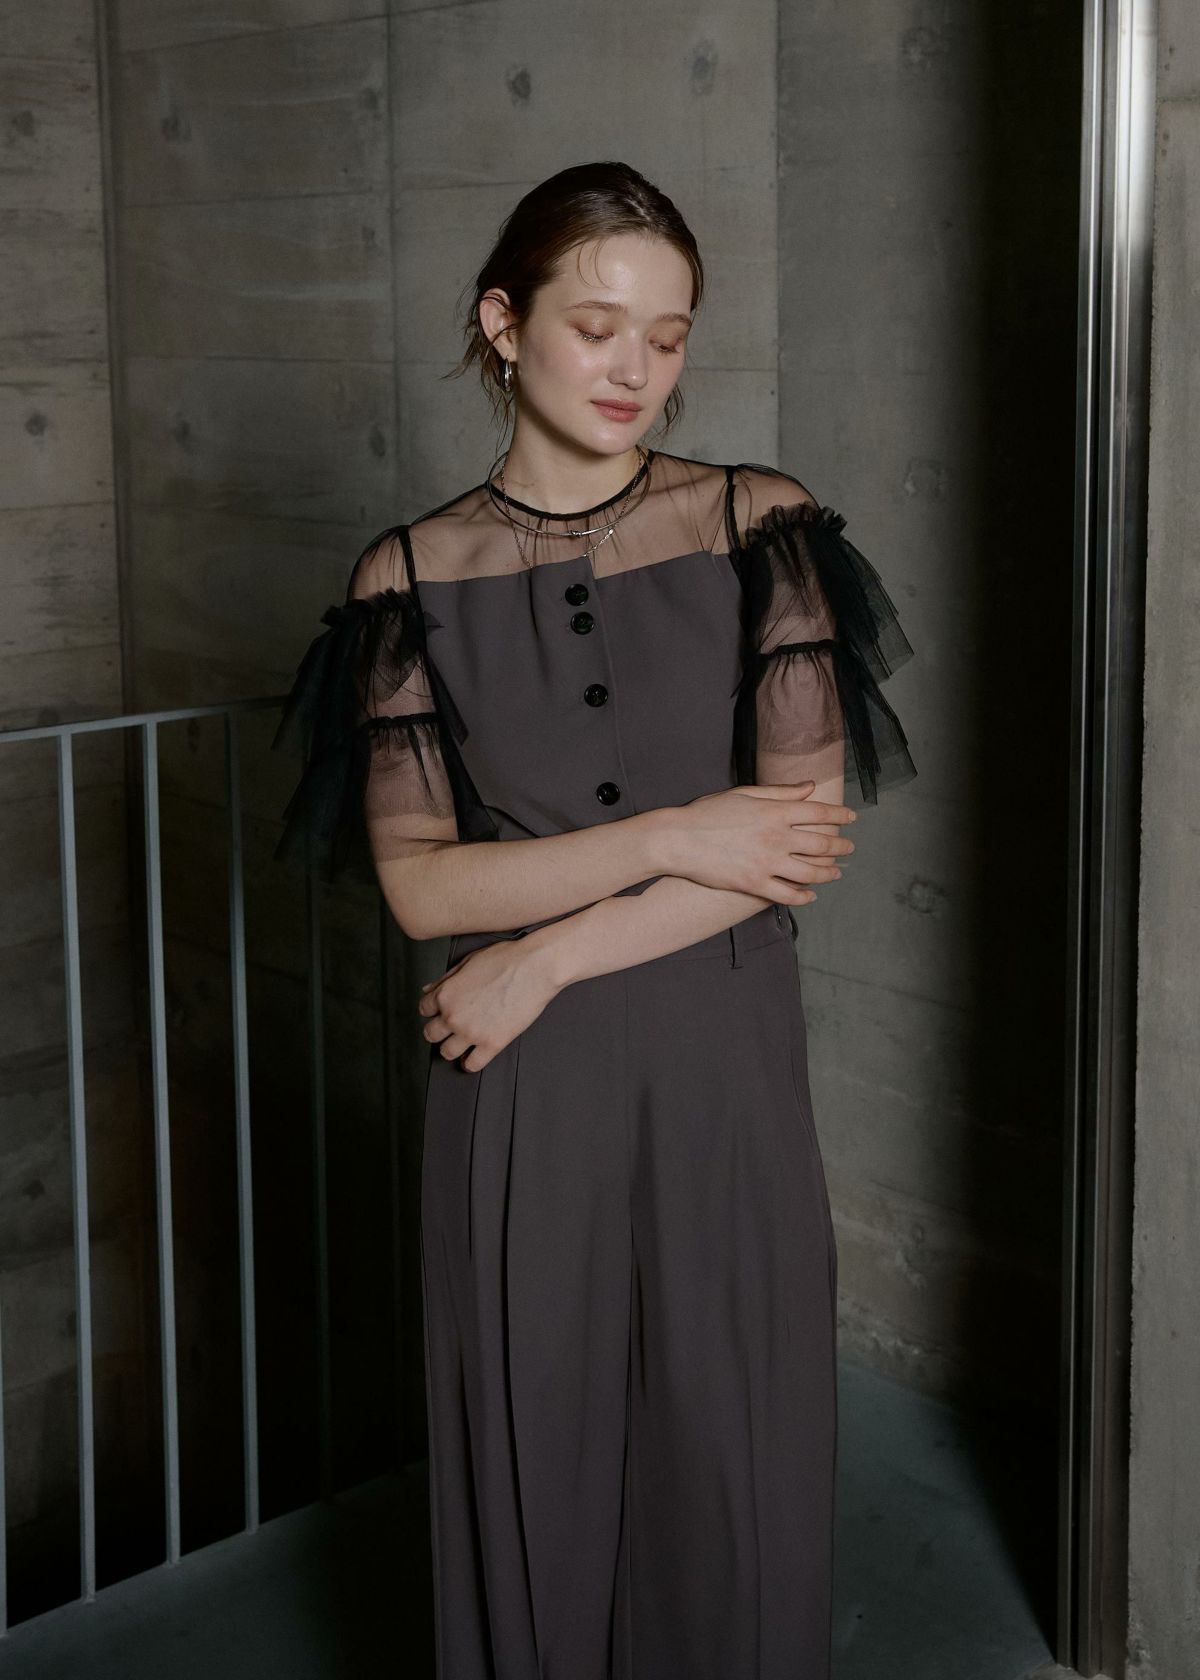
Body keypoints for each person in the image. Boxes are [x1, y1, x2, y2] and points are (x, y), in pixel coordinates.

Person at [272, 160, 916, 1680]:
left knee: (730, 1455)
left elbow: (793, 843)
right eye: (598, 326)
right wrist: (680, 832)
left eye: (670, 337)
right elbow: (422, 883)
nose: (637, 370)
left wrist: (544, 955)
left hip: (711, 1055)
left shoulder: (761, 523)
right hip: (519, 1085)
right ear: (505, 324)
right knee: (533, 1448)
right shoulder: (405, 579)